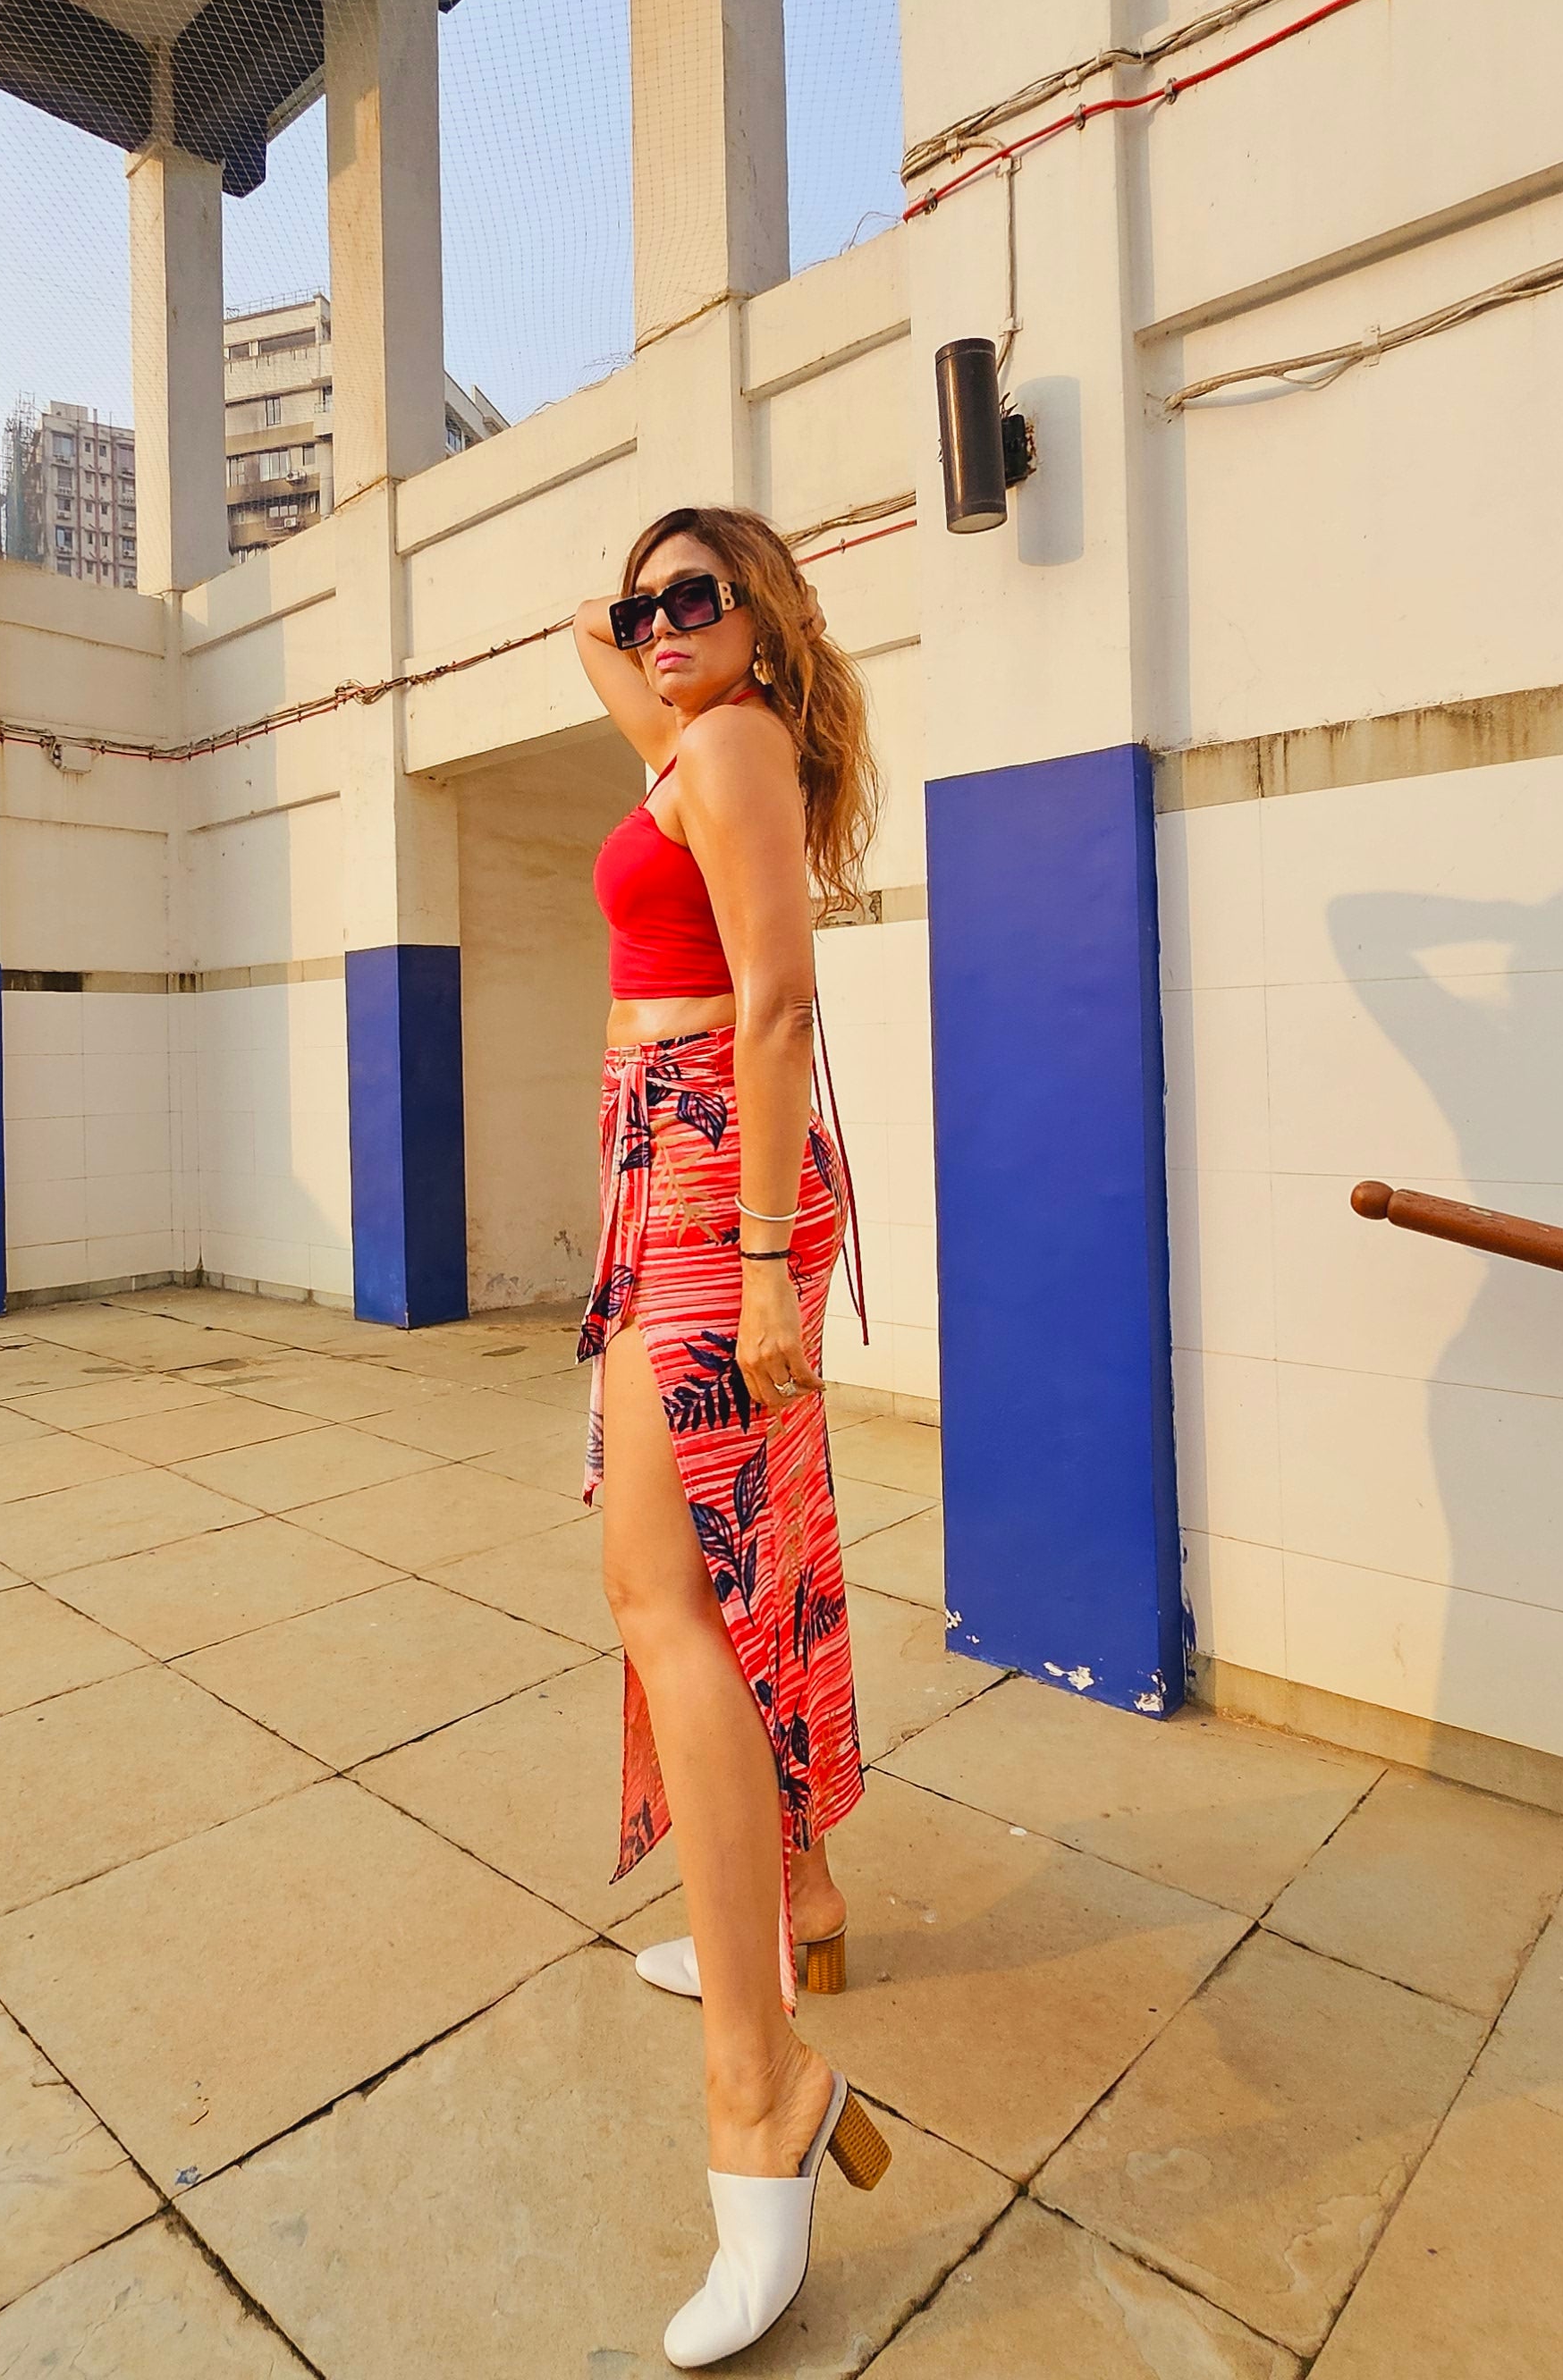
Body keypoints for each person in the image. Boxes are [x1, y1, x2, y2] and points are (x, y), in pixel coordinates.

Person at [572, 504, 888, 2367]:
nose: (656, 626)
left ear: (762, 617)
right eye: (645, 606)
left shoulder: (740, 741)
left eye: (695, 598)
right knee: (708, 1583)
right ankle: (786, 1900)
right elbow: (608, 659)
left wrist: (767, 1263)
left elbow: (776, 999)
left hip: (716, 1175)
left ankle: (761, 2091)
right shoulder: (692, 740)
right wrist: (626, 629)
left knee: (671, 1599)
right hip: (666, 1166)